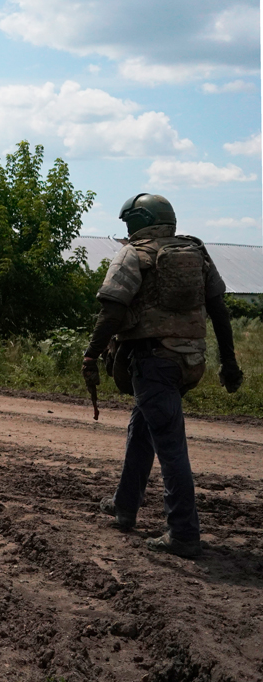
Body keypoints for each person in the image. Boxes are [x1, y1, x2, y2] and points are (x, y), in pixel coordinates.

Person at [82, 193, 243, 558]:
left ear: (138, 221)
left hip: (152, 363)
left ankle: (183, 533)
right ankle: (125, 505)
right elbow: (219, 309)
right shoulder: (196, 252)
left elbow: (111, 311)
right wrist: (228, 362)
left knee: (171, 448)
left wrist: (91, 354)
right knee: (143, 429)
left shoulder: (133, 254)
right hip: (190, 362)